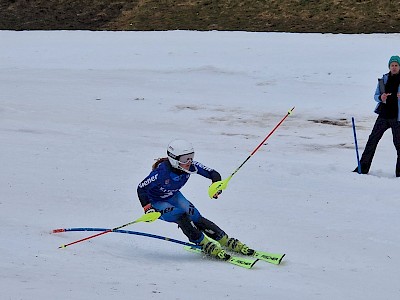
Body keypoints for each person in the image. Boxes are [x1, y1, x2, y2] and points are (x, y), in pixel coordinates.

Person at [137, 139, 255, 260]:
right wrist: (148, 208)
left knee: (195, 216)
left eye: (190, 157)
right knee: (181, 216)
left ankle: (225, 240)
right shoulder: (161, 173)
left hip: (173, 196)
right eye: (184, 159)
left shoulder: (191, 166)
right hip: (156, 202)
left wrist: (216, 185)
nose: (188, 162)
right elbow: (141, 188)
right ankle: (203, 243)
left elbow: (213, 173)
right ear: (173, 158)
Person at [354, 55, 400, 176]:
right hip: (383, 115)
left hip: (397, 117)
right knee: (372, 140)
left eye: (396, 65)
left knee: (399, 144)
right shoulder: (384, 79)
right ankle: (362, 168)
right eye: (392, 65)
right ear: (389, 67)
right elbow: (376, 96)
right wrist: (381, 97)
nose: (394, 67)